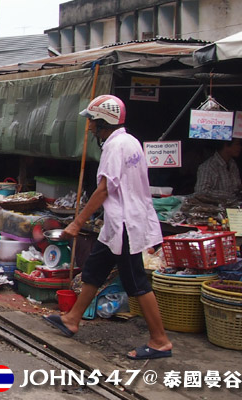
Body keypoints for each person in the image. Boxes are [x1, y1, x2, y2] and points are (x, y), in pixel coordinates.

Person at [42, 95, 172, 360]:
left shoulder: (115, 146)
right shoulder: (130, 141)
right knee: (94, 270)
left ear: (104, 121)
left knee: (136, 282)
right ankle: (72, 319)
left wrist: (78, 222)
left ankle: (160, 341)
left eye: (92, 121)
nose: (89, 127)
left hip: (124, 224)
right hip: (119, 223)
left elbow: (104, 189)